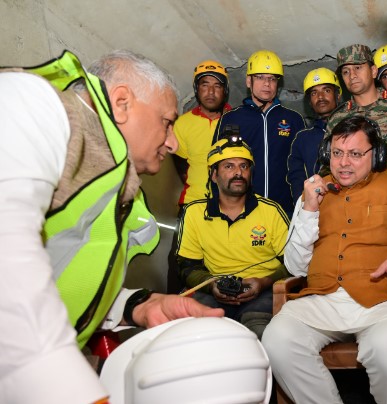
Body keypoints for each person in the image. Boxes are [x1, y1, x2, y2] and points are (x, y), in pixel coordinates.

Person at [0, 50, 223, 404]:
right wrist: (71, 386)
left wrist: (136, 305)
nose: (174, 143)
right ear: (121, 103)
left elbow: (56, 272)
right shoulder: (31, 104)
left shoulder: (114, 182)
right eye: (167, 122)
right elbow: (9, 271)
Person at [262, 115, 387, 404]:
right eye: (337, 153)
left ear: (377, 155)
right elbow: (296, 267)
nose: (343, 163)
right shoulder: (313, 193)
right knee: (277, 340)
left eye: (355, 154)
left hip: (386, 302)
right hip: (322, 300)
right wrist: (309, 210)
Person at [176, 136, 290, 339]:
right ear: (214, 175)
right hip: (214, 290)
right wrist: (212, 285)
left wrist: (263, 282)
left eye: (244, 166)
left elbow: (293, 264)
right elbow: (187, 267)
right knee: (202, 335)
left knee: (259, 333)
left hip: (264, 291)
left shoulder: (271, 211)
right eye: (229, 166)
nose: (238, 173)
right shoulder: (194, 213)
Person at [214, 49, 305, 216]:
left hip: (285, 209)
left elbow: (303, 167)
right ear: (249, 81)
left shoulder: (294, 119)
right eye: (260, 77)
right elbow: (216, 165)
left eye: (272, 79)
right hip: (243, 210)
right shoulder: (231, 118)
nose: (267, 84)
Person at [167, 59, 231, 294]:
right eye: (205, 85)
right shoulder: (182, 124)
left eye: (217, 86)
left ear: (225, 90)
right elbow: (179, 161)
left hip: (228, 206)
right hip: (192, 203)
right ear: (196, 89)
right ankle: (173, 307)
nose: (211, 92)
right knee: (179, 261)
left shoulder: (237, 119)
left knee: (223, 261)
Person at [326, 44, 387, 174]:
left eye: (358, 68)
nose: (352, 76)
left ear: (373, 71)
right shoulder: (336, 119)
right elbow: (328, 166)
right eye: (346, 72)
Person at [287, 67, 341, 202]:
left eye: (326, 90)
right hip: (316, 207)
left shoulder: (354, 130)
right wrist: (303, 204)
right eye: (314, 93)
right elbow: (296, 176)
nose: (320, 97)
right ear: (310, 102)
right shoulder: (302, 138)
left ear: (338, 95)